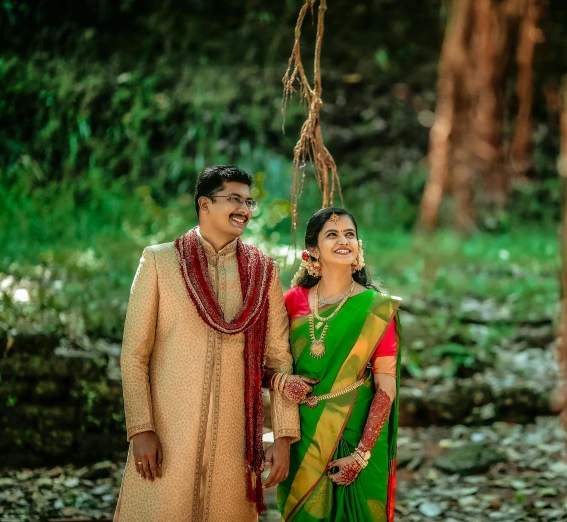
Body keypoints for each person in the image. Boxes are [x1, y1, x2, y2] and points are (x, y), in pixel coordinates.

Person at [114, 165, 314, 522]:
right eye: (234, 199)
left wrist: (283, 436)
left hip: (235, 442)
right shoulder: (160, 261)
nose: (245, 209)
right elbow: (133, 356)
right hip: (168, 433)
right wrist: (141, 429)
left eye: (249, 201)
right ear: (204, 204)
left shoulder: (262, 271)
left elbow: (279, 359)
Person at [274, 207, 402, 522]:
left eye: (350, 234)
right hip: (302, 436)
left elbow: (386, 381)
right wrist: (280, 383)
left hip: (358, 432)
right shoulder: (291, 301)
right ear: (313, 250)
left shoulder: (376, 307)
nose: (344, 240)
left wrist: (361, 454)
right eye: (332, 234)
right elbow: (262, 365)